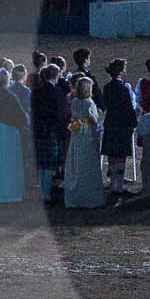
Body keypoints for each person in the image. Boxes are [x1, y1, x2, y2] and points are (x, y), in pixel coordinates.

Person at [0, 69, 30, 204]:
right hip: (9, 131)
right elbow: (22, 117)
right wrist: (22, 124)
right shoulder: (10, 96)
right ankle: (10, 192)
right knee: (10, 161)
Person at [63, 76, 106, 209]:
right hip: (87, 132)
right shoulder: (89, 102)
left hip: (76, 131)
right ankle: (90, 197)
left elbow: (74, 117)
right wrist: (98, 130)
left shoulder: (75, 101)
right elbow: (93, 119)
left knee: (76, 160)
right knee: (88, 162)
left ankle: (75, 195)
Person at [100, 58, 137, 201]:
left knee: (111, 154)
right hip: (122, 125)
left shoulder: (107, 88)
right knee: (120, 155)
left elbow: (105, 104)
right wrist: (133, 123)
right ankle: (119, 186)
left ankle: (113, 182)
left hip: (110, 123)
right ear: (121, 71)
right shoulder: (124, 88)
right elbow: (128, 108)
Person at [32, 59, 67, 205]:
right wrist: (62, 131)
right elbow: (59, 114)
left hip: (38, 130)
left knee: (40, 165)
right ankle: (45, 194)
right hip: (51, 131)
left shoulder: (36, 92)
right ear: (55, 75)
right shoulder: (57, 92)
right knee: (48, 165)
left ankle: (39, 192)